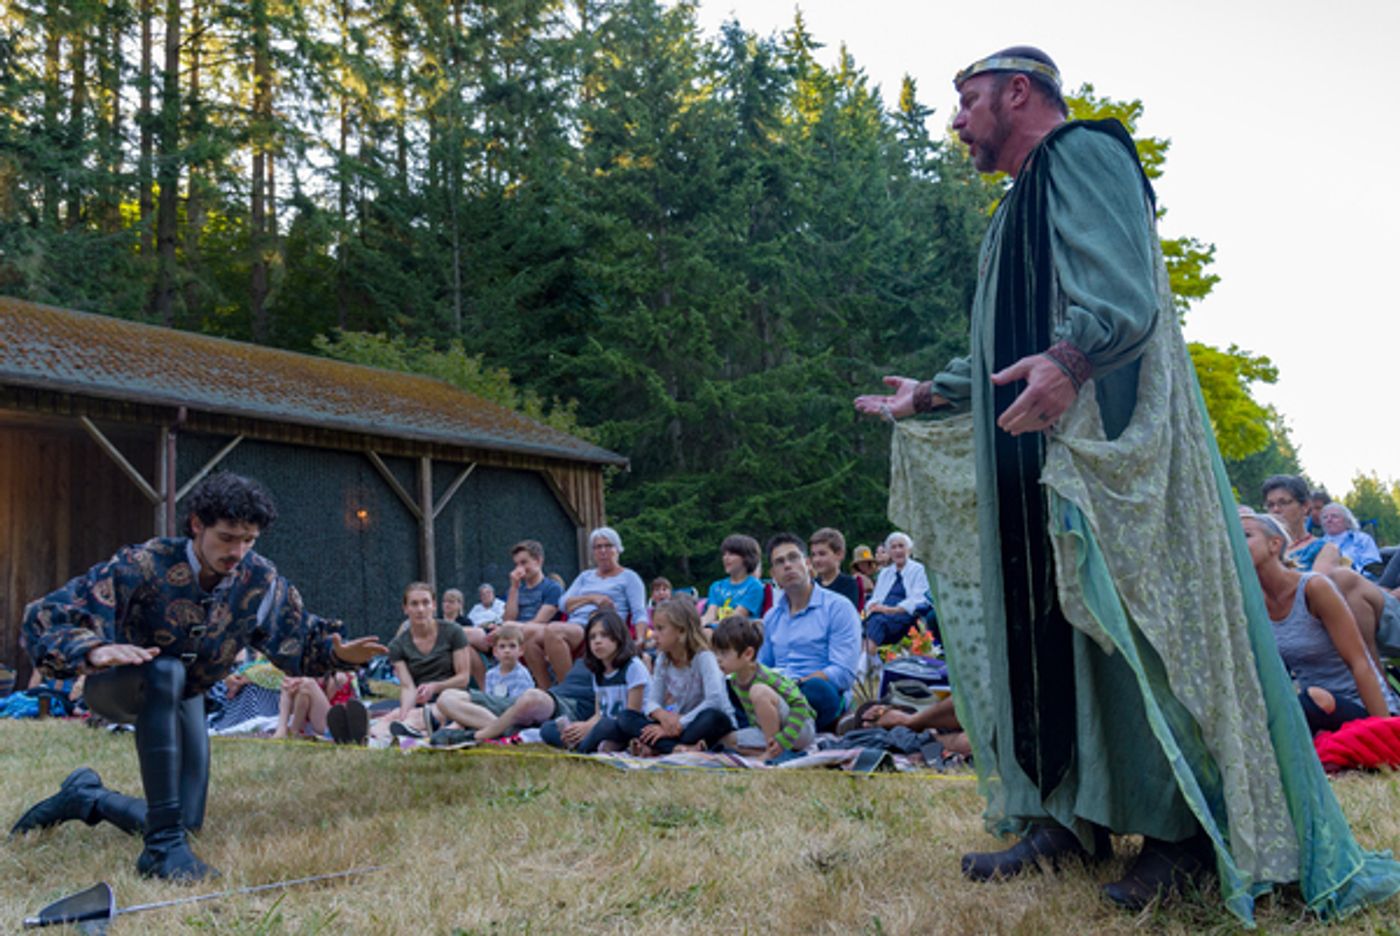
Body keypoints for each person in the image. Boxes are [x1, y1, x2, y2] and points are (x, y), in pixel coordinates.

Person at [853, 46, 1399, 920]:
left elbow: (1124, 295)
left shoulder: (1087, 155)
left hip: (1106, 451)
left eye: (966, 101)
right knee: (1054, 634)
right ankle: (1067, 818)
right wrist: (935, 392)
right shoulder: (1016, 207)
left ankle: (1185, 835)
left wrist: (1072, 359)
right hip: (1038, 451)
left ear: (1017, 93)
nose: (954, 122)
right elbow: (1003, 341)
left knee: (1135, 633)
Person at [10, 472, 386, 881]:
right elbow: (43, 616)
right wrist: (94, 650)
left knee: (187, 819)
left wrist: (335, 652)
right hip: (120, 686)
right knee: (165, 670)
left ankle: (87, 798)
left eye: (249, 540)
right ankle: (160, 851)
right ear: (196, 526)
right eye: (226, 537)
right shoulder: (143, 564)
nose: (238, 551)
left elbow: (294, 636)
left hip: (187, 693)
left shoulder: (258, 581)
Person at [1240, 509, 1395, 730]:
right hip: (1317, 710)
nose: (1236, 543)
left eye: (1246, 535)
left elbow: (1360, 662)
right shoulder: (1252, 605)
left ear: (1274, 544)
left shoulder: (1313, 588)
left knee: (1313, 699)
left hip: (1361, 707)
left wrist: (1385, 731)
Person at [759, 534, 863, 733]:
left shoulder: (838, 607)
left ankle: (772, 725)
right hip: (775, 692)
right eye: (780, 562)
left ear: (807, 564)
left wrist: (795, 684)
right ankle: (781, 724)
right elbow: (764, 665)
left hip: (815, 690)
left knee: (818, 691)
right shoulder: (772, 616)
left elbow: (843, 673)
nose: (788, 565)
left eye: (793, 558)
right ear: (774, 574)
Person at [615, 598, 735, 755]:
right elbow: (652, 702)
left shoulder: (704, 657)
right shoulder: (663, 659)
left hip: (702, 722)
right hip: (675, 725)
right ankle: (678, 748)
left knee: (712, 718)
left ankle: (660, 746)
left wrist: (679, 723)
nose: (654, 635)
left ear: (681, 631)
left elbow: (715, 701)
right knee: (626, 717)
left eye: (660, 629)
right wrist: (663, 716)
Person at [535, 527, 648, 687]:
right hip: (574, 624)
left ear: (618, 549)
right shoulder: (585, 577)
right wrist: (592, 598)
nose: (603, 551)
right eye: (597, 547)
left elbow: (639, 612)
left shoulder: (629, 577)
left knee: (554, 630)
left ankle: (569, 689)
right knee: (527, 633)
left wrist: (641, 638)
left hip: (602, 625)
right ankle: (545, 688)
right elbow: (563, 604)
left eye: (608, 546)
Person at [377, 582, 479, 740]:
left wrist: (435, 687)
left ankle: (417, 730)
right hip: (422, 702)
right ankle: (406, 730)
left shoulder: (453, 632)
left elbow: (463, 678)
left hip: (454, 697)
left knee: (439, 710)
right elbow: (408, 686)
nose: (420, 609)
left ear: (434, 606)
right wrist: (404, 714)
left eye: (425, 602)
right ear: (405, 609)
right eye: (414, 604)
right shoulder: (397, 645)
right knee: (394, 716)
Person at [712, 613, 816, 760]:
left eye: (724, 653)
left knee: (759, 692)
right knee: (726, 741)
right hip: (769, 732)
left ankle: (773, 752)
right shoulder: (734, 680)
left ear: (748, 653)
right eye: (716, 652)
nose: (718, 659)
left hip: (799, 729)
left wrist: (783, 740)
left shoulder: (766, 676)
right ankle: (776, 751)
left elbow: (800, 706)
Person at [546, 608, 650, 753]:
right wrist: (584, 727)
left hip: (626, 726)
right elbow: (599, 713)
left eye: (604, 635)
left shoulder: (633, 667)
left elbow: (631, 715)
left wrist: (590, 728)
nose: (597, 641)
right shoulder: (598, 671)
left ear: (618, 636)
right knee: (548, 728)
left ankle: (583, 747)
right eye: (592, 637)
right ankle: (581, 742)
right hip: (602, 725)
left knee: (606, 725)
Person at [861, 532, 933, 649]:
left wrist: (891, 610)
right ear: (889, 552)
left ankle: (865, 664)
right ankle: (865, 661)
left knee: (877, 623)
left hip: (904, 616)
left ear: (909, 549)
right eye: (893, 547)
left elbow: (919, 599)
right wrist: (873, 606)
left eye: (901, 546)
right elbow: (876, 598)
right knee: (859, 625)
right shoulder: (885, 573)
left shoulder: (919, 570)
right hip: (881, 613)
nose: (897, 550)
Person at [700, 534, 766, 625]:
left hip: (740, 632)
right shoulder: (716, 586)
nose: (726, 558)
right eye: (724, 554)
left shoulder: (754, 586)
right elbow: (710, 615)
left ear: (746, 558)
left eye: (731, 554)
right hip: (717, 629)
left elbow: (737, 618)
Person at [1319, 503, 1383, 577]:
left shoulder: (1362, 540)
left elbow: (1373, 569)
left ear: (1347, 521)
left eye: (1334, 516)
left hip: (1358, 584)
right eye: (1325, 517)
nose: (1329, 520)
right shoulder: (1317, 544)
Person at [809, 527, 865, 612]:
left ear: (839, 554)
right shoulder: (812, 585)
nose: (816, 560)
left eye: (822, 554)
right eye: (813, 555)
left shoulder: (848, 584)